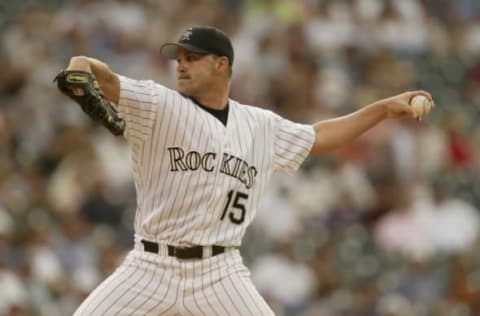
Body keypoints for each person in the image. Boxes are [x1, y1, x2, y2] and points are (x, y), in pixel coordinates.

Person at [60, 26, 433, 316]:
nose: (181, 65)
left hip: (219, 272)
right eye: (179, 59)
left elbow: (319, 136)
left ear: (221, 64)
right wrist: (82, 63)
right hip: (150, 266)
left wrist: (383, 109)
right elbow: (104, 78)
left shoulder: (259, 125)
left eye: (193, 57)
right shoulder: (160, 105)